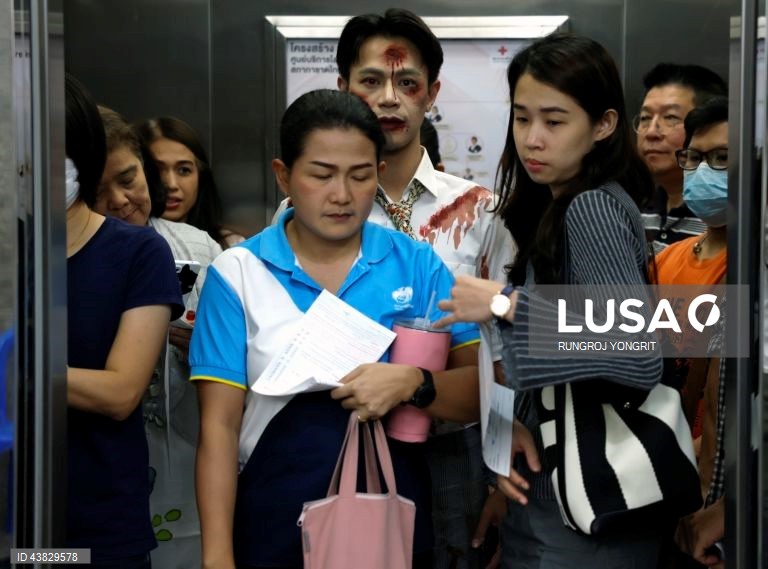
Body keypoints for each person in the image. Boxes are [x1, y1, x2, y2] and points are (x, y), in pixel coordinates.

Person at [191, 89, 482, 569]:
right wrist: (217, 556)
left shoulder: (418, 265)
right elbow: (218, 429)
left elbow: (476, 391)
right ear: (284, 174)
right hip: (272, 518)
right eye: (321, 175)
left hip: (390, 517)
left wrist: (414, 383)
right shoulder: (237, 274)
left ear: (379, 175)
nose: (342, 195)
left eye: (360, 176)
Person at [433, 33, 669, 568]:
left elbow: (636, 351)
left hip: (586, 514)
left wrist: (504, 304)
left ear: (603, 126)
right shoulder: (560, 207)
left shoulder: (591, 210)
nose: (532, 139)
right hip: (560, 498)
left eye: (555, 121)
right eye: (521, 118)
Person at [334, 11, 517, 568]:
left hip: (455, 446)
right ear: (343, 88)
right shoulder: (311, 209)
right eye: (370, 81)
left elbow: (505, 353)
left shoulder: (479, 209)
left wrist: (502, 468)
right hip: (342, 435)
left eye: (407, 82)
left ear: (431, 93)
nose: (389, 99)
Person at [94, 105, 223, 569]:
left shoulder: (198, 248)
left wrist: (208, 349)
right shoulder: (70, 258)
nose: (121, 200)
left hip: (188, 450)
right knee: (64, 555)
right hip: (102, 471)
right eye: (98, 189)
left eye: (129, 179)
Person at [65, 74, 183, 568]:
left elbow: (120, 392)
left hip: (95, 534)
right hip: (17, 523)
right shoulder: (16, 254)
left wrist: (20, 371)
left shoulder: (136, 251)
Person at [654, 96, 728, 569]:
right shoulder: (669, 258)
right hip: (662, 467)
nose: (702, 172)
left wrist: (514, 309)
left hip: (713, 481)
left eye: (721, 159)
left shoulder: (749, 269)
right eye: (695, 158)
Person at [635, 63, 726, 252]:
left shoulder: (718, 217)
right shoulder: (635, 210)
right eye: (644, 118)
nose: (651, 131)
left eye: (670, 117)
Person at [136, 116, 246, 249]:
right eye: (158, 170)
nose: (171, 184)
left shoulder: (230, 247)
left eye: (184, 170)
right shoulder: (129, 243)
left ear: (201, 175)